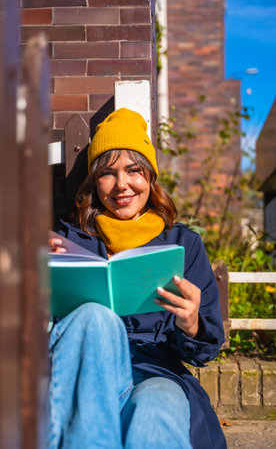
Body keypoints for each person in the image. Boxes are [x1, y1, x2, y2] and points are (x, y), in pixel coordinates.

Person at [49, 108, 226, 449]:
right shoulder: (69, 240)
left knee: (157, 406)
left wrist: (190, 323)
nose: (122, 185)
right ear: (93, 181)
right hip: (88, 371)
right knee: (93, 317)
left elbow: (205, 349)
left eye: (134, 171)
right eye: (107, 173)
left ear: (150, 178)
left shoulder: (183, 244)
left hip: (157, 370)